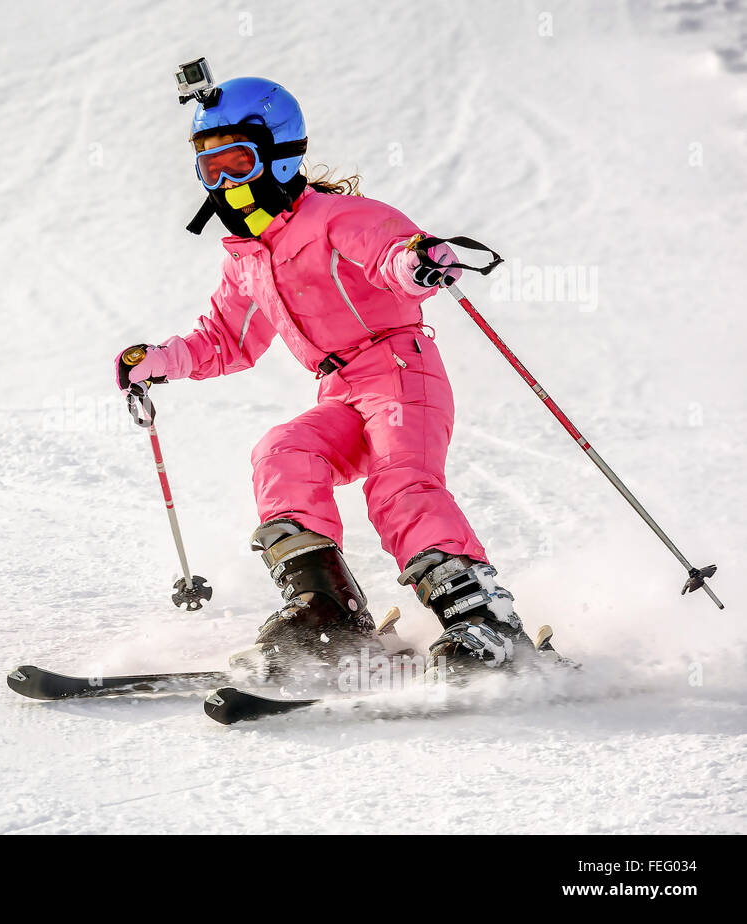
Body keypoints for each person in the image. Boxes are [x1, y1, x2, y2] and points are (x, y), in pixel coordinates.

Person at [115, 75, 527, 676]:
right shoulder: (250, 258)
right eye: (210, 169)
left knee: (399, 484)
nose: (226, 182)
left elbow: (391, 254)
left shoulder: (337, 218)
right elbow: (225, 341)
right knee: (282, 452)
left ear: (281, 153)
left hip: (399, 372)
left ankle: (482, 621)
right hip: (340, 388)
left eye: (237, 160)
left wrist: (418, 262)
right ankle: (326, 612)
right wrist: (156, 361)